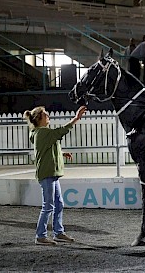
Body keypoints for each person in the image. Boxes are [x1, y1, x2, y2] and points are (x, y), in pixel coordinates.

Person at [23, 105, 87, 245]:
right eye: (45, 114)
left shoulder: (42, 133)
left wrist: (62, 153)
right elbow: (60, 132)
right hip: (47, 174)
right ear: (39, 118)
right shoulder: (42, 132)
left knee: (58, 204)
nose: (48, 115)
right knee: (48, 206)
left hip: (51, 173)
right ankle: (40, 236)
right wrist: (76, 118)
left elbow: (48, 147)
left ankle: (58, 233)